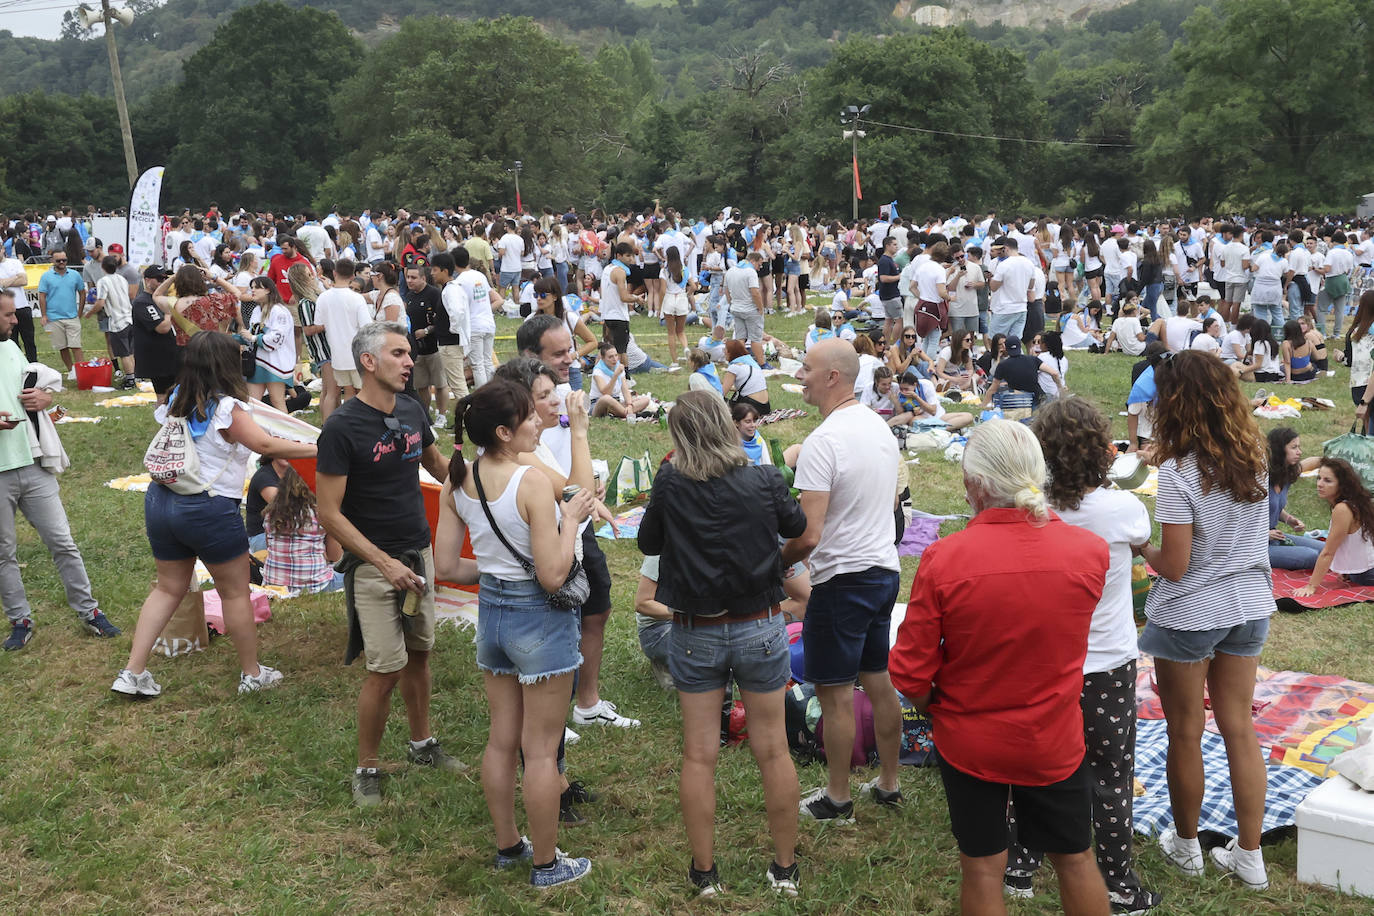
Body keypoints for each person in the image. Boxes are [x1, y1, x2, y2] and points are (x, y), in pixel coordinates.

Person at [889, 419, 1112, 916]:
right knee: (1075, 858)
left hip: (971, 738)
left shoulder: (945, 559)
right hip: (1052, 738)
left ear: (973, 484)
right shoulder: (1089, 553)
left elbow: (909, 673)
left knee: (983, 865)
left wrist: (938, 706)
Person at [639, 390, 806, 897]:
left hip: (696, 632)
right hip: (759, 624)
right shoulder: (763, 479)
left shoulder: (670, 482)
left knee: (699, 755)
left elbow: (648, 543)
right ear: (727, 426)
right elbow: (797, 526)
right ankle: (783, 869)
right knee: (774, 750)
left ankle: (705, 873)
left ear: (680, 437)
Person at [998, 398, 1160, 912]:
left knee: (1030, 765)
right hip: (1106, 664)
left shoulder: (1025, 510)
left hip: (1037, 662)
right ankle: (1118, 881)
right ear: (1100, 452)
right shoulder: (1123, 510)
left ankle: (1021, 863)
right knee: (1110, 775)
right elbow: (1141, 543)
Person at [433, 379, 596, 888]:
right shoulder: (528, 481)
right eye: (529, 417)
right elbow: (552, 575)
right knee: (542, 750)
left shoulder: (458, 481)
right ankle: (547, 865)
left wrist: (496, 571)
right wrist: (569, 522)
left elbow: (447, 565)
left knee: (502, 740)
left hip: (493, 617)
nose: (538, 423)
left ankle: (509, 846)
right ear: (504, 431)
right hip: (538, 619)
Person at [1135, 350, 1274, 891]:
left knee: (1185, 732)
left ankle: (1188, 845)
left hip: (1190, 611)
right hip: (1249, 603)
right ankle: (1251, 855)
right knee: (1240, 727)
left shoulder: (1177, 473)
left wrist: (1139, 542)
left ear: (1176, 404)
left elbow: (1173, 564)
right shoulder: (1255, 454)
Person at [111, 332, 316, 694]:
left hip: (161, 501)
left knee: (167, 588)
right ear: (227, 365)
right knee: (235, 592)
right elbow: (264, 444)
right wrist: (319, 446)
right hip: (207, 507)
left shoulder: (176, 398)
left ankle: (133, 672)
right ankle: (252, 675)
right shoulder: (227, 407)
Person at [314, 321, 461, 808]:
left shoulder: (412, 408)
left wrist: (493, 480)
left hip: (417, 554)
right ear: (368, 362)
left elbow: (439, 468)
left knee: (419, 655)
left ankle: (422, 744)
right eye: (398, 353)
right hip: (374, 567)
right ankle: (368, 768)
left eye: (409, 353)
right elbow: (328, 512)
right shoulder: (341, 427)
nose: (408, 361)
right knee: (385, 669)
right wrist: (382, 562)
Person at [782, 338, 904, 823]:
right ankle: (889, 783)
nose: (799, 376)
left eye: (806, 368)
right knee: (878, 680)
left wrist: (776, 564)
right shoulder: (878, 427)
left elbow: (808, 534)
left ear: (833, 376)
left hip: (841, 579)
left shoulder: (823, 441)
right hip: (883, 572)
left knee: (834, 694)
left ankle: (837, 798)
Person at [515, 314, 638, 730]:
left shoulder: (563, 392)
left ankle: (586, 703)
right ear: (531, 358)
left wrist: (593, 483)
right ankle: (550, 710)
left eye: (571, 347)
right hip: (548, 531)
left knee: (596, 607)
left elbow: (573, 472)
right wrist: (581, 488)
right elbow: (561, 484)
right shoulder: (517, 417)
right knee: (552, 624)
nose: (572, 357)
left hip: (579, 524)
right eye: (560, 352)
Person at [0, 294, 119, 651]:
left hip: (33, 464)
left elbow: (33, 388)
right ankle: (19, 619)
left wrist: (44, 398)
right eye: (8, 315)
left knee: (63, 543)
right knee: (3, 553)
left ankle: (90, 612)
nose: (15, 321)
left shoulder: (10, 349)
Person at [1294, 458, 1374, 595]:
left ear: (1342, 485)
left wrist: (1311, 586)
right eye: (1319, 478)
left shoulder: (1343, 509)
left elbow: (1328, 552)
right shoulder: (1354, 502)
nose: (1319, 484)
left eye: (1327, 480)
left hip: (1366, 573)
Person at [262, 465, 344, 593]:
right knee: (351, 573)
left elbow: (270, 546)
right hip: (315, 585)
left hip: (274, 585)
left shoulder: (271, 514)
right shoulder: (322, 514)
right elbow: (335, 556)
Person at [1266, 428, 1324, 570]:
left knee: (1326, 550)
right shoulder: (1259, 480)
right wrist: (1265, 534)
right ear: (1279, 450)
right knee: (1312, 556)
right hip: (1253, 545)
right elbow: (1239, 518)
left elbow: (1311, 462)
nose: (1300, 452)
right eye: (1294, 447)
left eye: (1299, 447)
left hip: (1276, 537)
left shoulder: (1286, 474)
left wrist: (1288, 519)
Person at [315, 260, 373, 401]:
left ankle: (349, 421)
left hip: (337, 354)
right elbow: (367, 326)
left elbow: (318, 323)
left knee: (348, 391)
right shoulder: (357, 298)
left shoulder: (323, 297)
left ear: (334, 273)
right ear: (353, 276)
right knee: (362, 392)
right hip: (358, 353)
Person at [242, 277, 296, 412]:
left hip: (275, 363)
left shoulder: (279, 311)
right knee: (251, 403)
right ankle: (254, 432)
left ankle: (285, 433)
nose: (252, 290)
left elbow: (277, 338)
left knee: (277, 401)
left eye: (256, 287)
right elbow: (251, 334)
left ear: (267, 290)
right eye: (252, 287)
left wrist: (254, 338)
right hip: (257, 363)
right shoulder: (256, 311)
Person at [130, 267, 182, 405]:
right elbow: (162, 327)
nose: (164, 282)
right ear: (147, 280)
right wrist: (169, 309)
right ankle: (163, 424)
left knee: (178, 394)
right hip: (157, 358)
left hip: (171, 353)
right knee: (163, 396)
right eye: (160, 279)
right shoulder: (143, 301)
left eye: (166, 279)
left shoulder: (165, 299)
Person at [36, 250, 86, 377]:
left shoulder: (75, 275)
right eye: (59, 260)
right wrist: (44, 315)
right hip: (53, 318)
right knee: (62, 347)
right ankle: (71, 371)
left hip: (72, 317)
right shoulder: (46, 276)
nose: (62, 262)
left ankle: (82, 371)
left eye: (64, 260)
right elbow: (42, 296)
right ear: (52, 261)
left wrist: (80, 312)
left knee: (76, 346)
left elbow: (82, 292)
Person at [726, 251, 768, 367]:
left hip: (736, 308)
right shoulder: (750, 272)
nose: (759, 268)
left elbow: (726, 290)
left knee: (740, 337)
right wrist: (760, 308)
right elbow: (755, 292)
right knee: (756, 338)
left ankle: (740, 361)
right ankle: (762, 364)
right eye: (759, 265)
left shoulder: (731, 270)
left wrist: (732, 303)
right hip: (750, 309)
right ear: (753, 261)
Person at [721, 339, 770, 413]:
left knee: (715, 401)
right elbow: (749, 387)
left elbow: (721, 393)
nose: (723, 352)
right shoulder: (752, 364)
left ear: (729, 352)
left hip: (750, 408)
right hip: (765, 407)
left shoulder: (734, 367)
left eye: (724, 350)